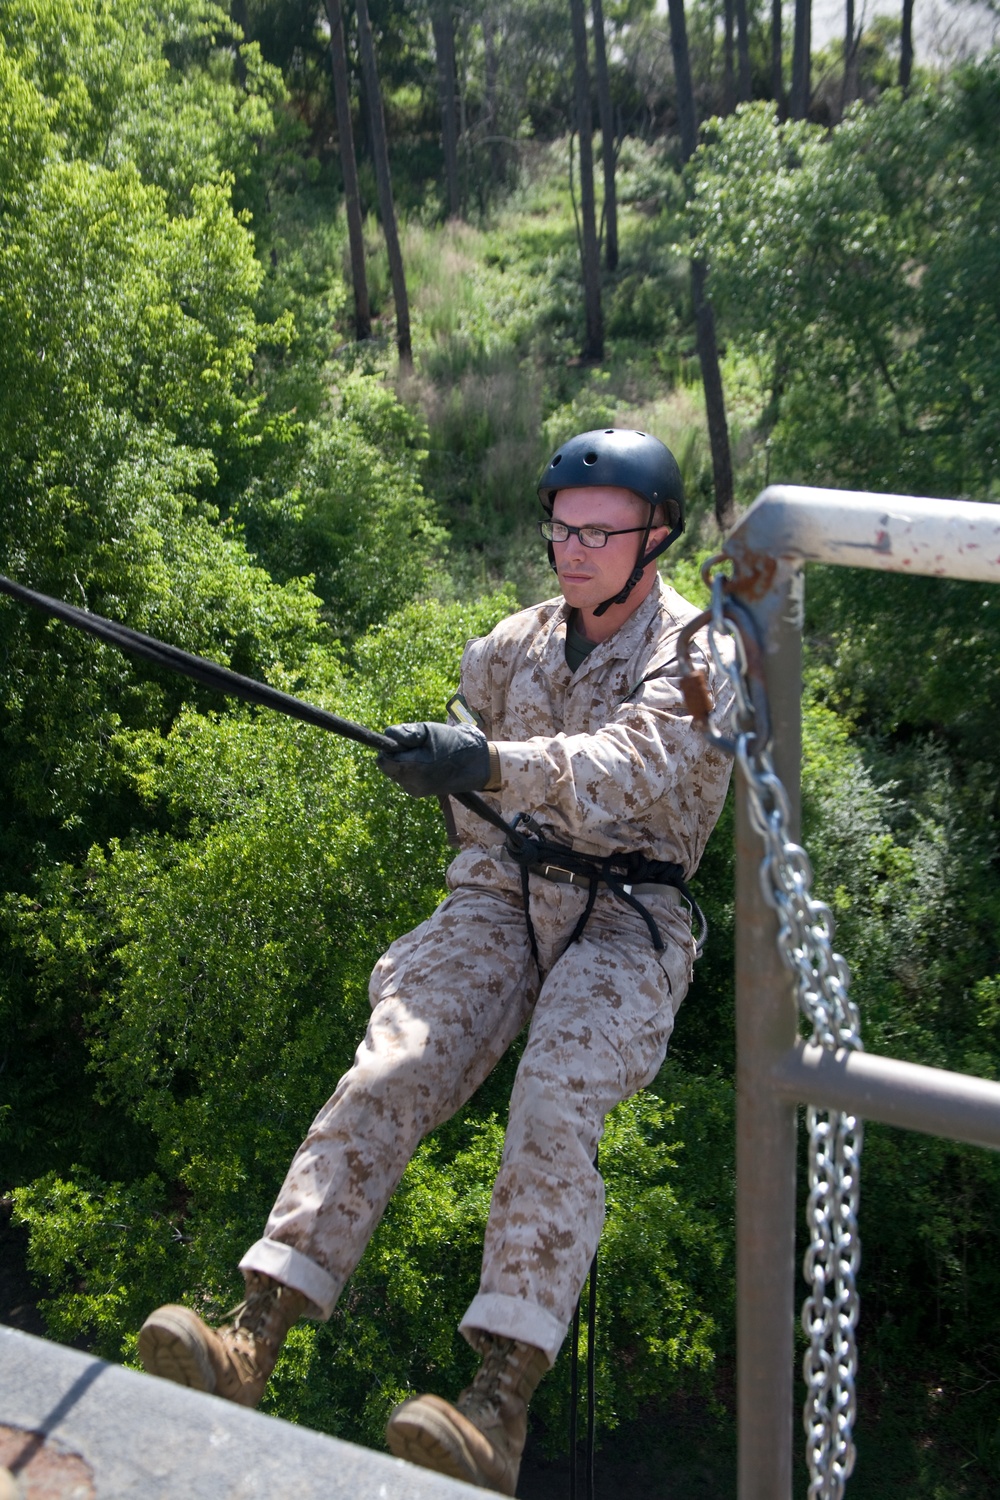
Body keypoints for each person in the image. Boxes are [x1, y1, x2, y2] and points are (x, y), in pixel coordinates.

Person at [137, 427, 735, 1496]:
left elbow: (623, 769)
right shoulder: (508, 647)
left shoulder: (698, 659)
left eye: (600, 531)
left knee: (553, 1101)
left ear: (656, 537)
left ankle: (497, 1408)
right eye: (561, 526)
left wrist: (488, 760)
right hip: (504, 889)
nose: (573, 548)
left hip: (625, 912)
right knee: (391, 1062)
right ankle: (250, 1336)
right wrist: (443, 764)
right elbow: (475, 802)